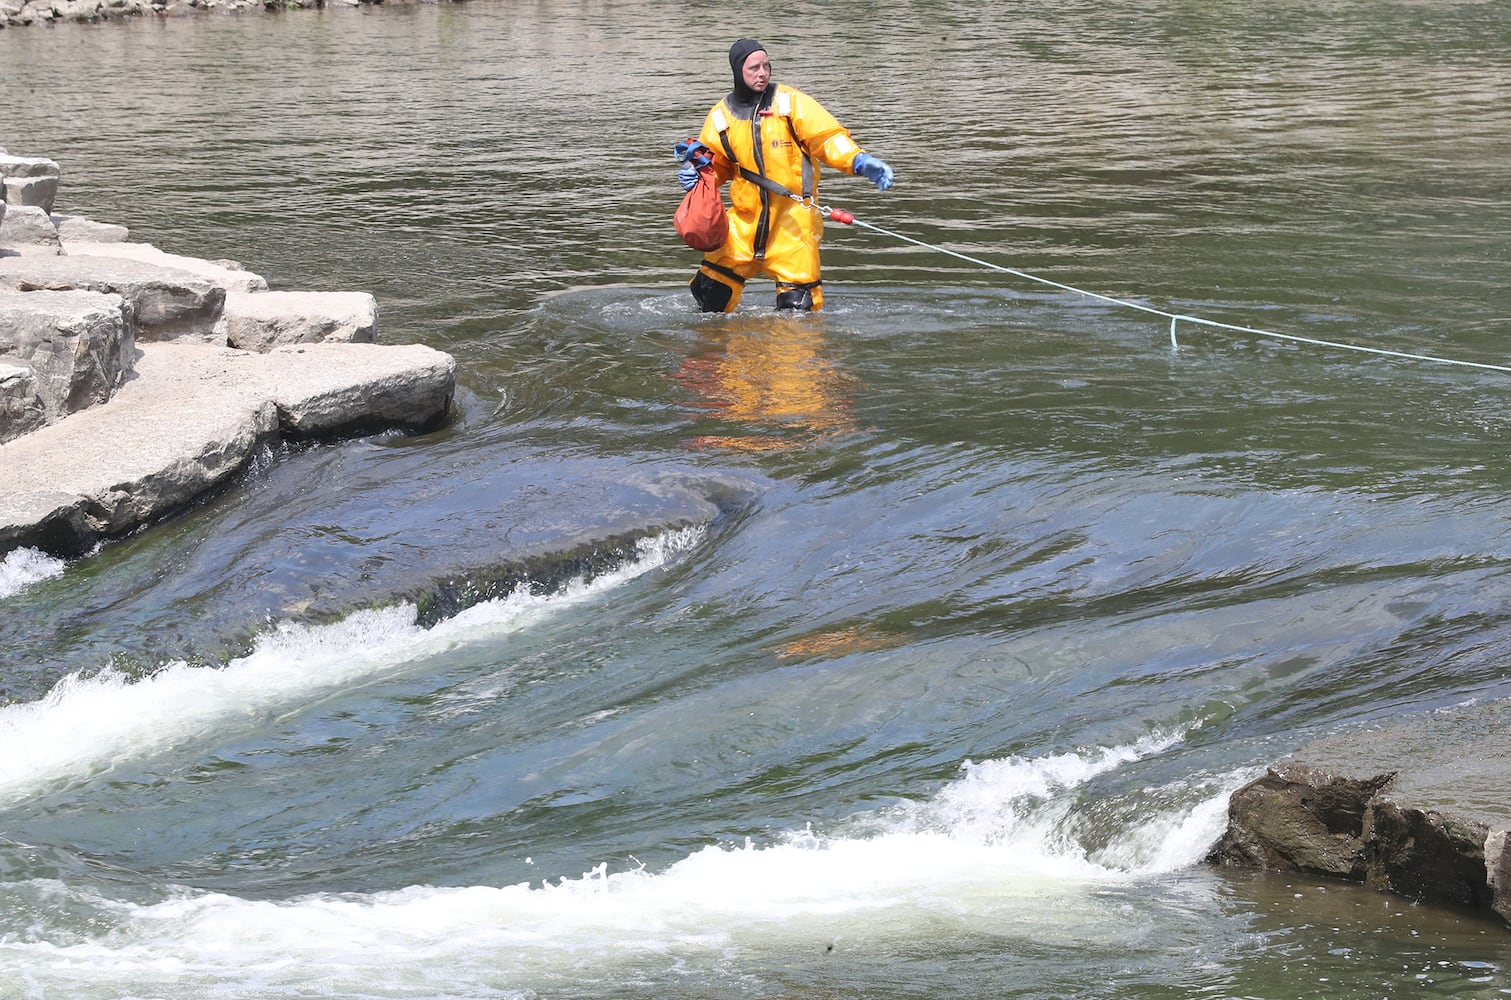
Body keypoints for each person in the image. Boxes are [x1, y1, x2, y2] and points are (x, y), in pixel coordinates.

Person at [677, 38, 895, 313]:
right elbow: (717, 165)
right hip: (743, 227)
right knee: (709, 298)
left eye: (766, 66)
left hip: (793, 226)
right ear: (737, 72)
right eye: (754, 68)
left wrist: (858, 160)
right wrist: (697, 175)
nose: (762, 73)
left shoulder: (791, 104)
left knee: (799, 310)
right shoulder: (720, 118)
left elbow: (827, 139)